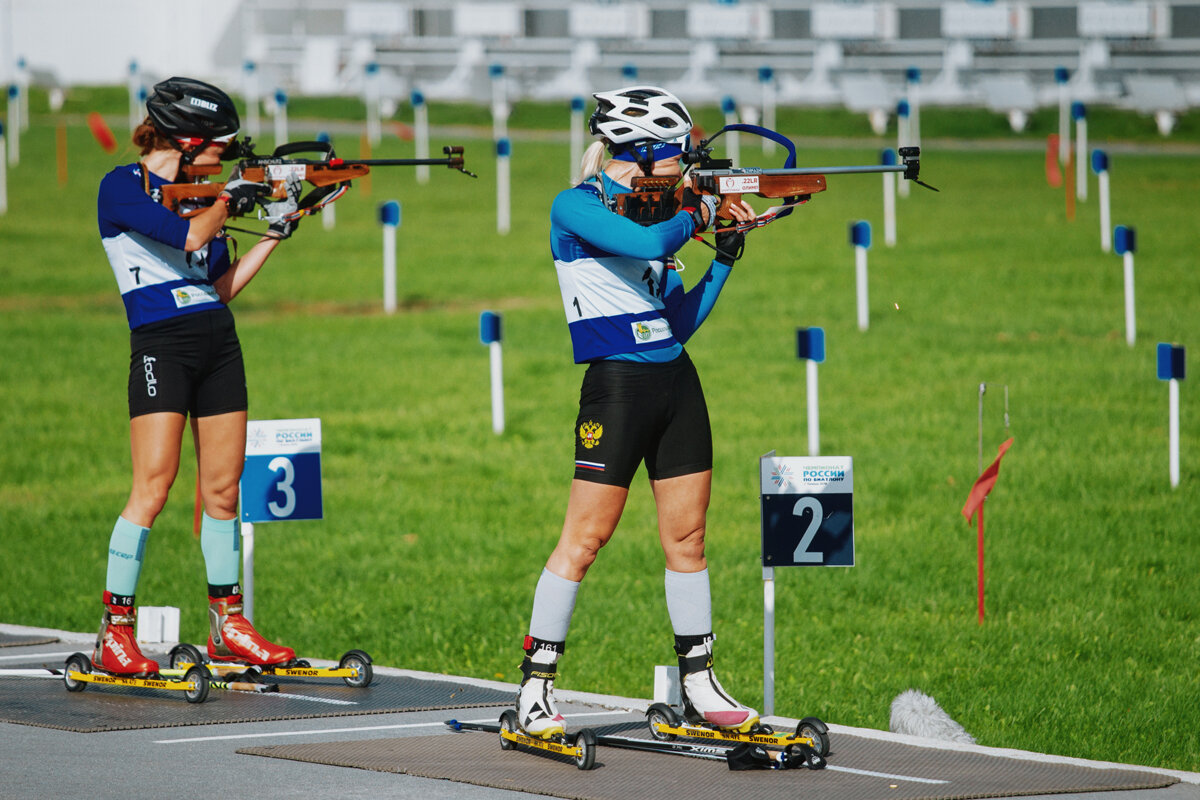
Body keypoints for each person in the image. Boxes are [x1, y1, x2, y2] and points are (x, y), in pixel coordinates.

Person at [517, 86, 759, 737]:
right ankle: (535, 688)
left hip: (675, 380)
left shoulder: (664, 211)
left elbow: (677, 321)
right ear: (643, 151)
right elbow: (646, 243)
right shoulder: (576, 207)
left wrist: (726, 254)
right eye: (675, 156)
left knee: (688, 539)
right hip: (617, 388)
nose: (682, 167)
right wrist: (699, 210)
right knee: (585, 538)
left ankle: (700, 684)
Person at [93, 77, 302, 675]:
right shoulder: (121, 188)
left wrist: (274, 231)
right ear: (185, 141)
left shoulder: (203, 193)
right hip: (162, 343)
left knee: (223, 490)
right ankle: (117, 630)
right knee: (153, 488)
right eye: (219, 145)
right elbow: (189, 235)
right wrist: (229, 199)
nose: (226, 156)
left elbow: (217, 288)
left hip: (216, 340)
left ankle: (228, 623)